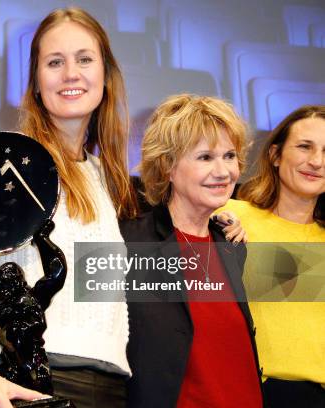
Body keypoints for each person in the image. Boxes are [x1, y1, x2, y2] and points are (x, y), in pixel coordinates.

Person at [0, 7, 138, 408]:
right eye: (54, 62)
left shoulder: (106, 178)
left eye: (84, 59)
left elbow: (106, 302)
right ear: (36, 83)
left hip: (108, 386)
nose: (71, 74)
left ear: (106, 76)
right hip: (28, 383)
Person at [119, 94, 263, 407]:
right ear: (167, 165)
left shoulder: (229, 245)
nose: (224, 171)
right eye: (205, 157)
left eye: (229, 156)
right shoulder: (130, 242)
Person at [219, 105, 325, 407]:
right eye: (305, 147)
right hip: (246, 391)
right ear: (275, 155)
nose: (316, 162)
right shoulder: (227, 215)